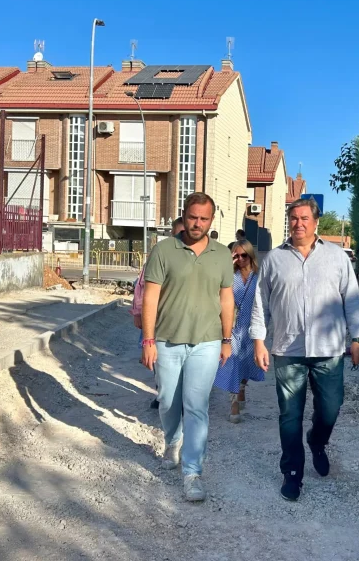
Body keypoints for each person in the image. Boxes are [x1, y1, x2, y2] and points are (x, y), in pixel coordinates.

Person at [251, 198, 359, 502]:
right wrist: (258, 341)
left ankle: (317, 441)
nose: (298, 223)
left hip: (328, 350)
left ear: (316, 222)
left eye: (304, 218)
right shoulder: (274, 259)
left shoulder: (337, 257)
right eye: (293, 218)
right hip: (288, 349)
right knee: (290, 414)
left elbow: (352, 298)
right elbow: (261, 304)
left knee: (331, 408)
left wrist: (358, 338)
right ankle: (292, 473)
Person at [141, 193, 234, 502]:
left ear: (211, 220)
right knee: (168, 400)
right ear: (183, 215)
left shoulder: (222, 254)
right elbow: (150, 296)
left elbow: (226, 298)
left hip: (207, 342)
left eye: (204, 218)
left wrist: (227, 339)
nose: (198, 223)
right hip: (167, 340)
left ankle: (192, 472)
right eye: (193, 217)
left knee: (196, 405)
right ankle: (172, 440)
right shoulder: (164, 250)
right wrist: (148, 340)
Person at [131, 217, 184, 409]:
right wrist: (138, 312)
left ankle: (182, 398)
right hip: (158, 319)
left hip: (183, 320)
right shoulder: (159, 256)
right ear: (172, 234)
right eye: (179, 233)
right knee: (158, 358)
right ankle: (162, 391)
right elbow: (141, 286)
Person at [213, 239, 265, 423]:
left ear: (250, 256)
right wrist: (228, 263)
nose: (241, 259)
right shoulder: (228, 276)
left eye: (244, 255)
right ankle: (233, 403)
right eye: (237, 255)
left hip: (251, 327)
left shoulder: (258, 277)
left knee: (247, 363)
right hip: (232, 327)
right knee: (232, 363)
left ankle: (242, 386)